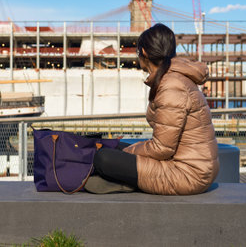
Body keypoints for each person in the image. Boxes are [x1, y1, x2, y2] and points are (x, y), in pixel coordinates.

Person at [85, 23, 219, 195]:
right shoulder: (173, 79)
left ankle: (126, 182)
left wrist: (128, 154)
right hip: (193, 166)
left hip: (188, 174)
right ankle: (126, 180)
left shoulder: (171, 86)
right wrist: (126, 153)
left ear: (145, 53)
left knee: (103, 158)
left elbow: (162, 148)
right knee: (113, 146)